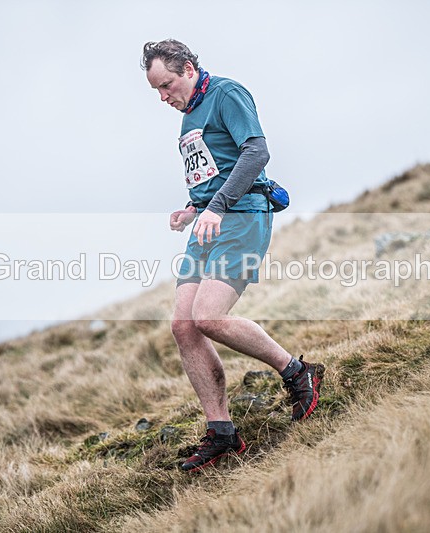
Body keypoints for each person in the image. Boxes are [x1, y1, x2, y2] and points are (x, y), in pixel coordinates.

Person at [141, 39, 325, 472]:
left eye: (166, 85)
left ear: (187, 68)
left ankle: (298, 373)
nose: (164, 97)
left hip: (240, 217)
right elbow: (211, 170)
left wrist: (218, 206)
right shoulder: (188, 117)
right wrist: (192, 207)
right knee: (184, 326)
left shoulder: (227, 94)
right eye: (157, 92)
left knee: (208, 316)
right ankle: (222, 433)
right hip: (207, 222)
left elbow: (257, 152)